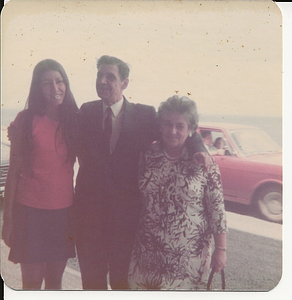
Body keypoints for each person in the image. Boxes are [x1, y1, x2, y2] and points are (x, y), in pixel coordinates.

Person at [74, 55, 209, 290]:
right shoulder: (86, 111)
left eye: (110, 77)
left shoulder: (144, 115)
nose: (103, 81)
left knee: (121, 284)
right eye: (99, 76)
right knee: (91, 285)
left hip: (125, 223)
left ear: (125, 83)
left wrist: (199, 148)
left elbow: (179, 127)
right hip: (90, 220)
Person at [128, 95, 227, 290]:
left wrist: (221, 250)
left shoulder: (203, 161)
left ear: (190, 129)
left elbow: (217, 210)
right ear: (160, 126)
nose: (172, 131)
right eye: (167, 124)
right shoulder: (147, 155)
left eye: (180, 126)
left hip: (188, 259)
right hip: (147, 253)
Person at [2, 59, 80, 290]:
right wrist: (8, 221)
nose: (55, 89)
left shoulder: (76, 120)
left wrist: (195, 141)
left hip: (63, 214)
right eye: (46, 83)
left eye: (59, 81)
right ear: (37, 87)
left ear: (66, 83)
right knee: (31, 285)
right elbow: (13, 174)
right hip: (29, 214)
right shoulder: (25, 121)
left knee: (55, 284)